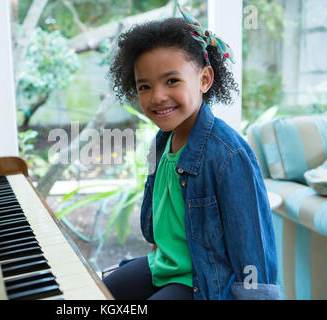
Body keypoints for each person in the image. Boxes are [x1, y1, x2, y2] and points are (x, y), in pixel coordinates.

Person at [102, 5, 281, 300]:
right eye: (144, 86)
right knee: (94, 294)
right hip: (164, 266)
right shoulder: (160, 143)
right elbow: (158, 221)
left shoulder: (229, 155)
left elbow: (253, 247)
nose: (157, 96)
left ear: (204, 80)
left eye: (172, 81)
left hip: (202, 281)